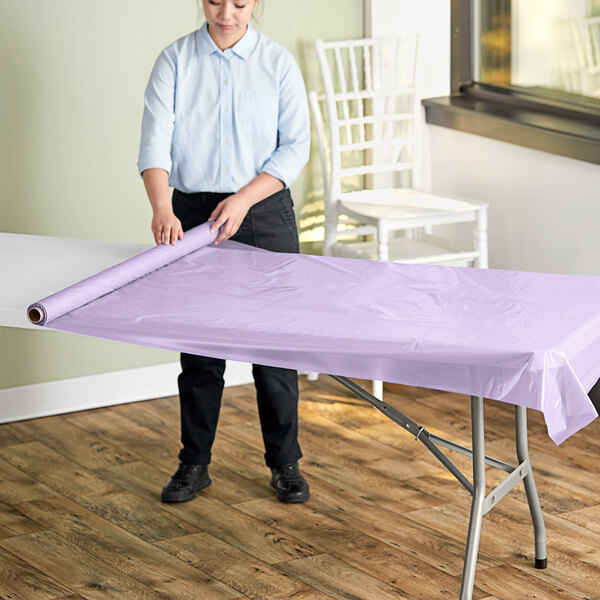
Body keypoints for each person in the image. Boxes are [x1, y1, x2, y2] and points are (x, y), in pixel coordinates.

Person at [138, 0, 310, 503]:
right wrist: (161, 207)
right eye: (216, 0)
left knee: (273, 348)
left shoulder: (277, 63)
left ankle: (285, 464)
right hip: (189, 214)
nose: (227, 13)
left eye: (240, 2)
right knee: (199, 348)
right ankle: (193, 465)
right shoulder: (174, 60)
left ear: (257, 3)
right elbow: (154, 143)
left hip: (262, 209)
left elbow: (295, 145)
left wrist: (243, 198)